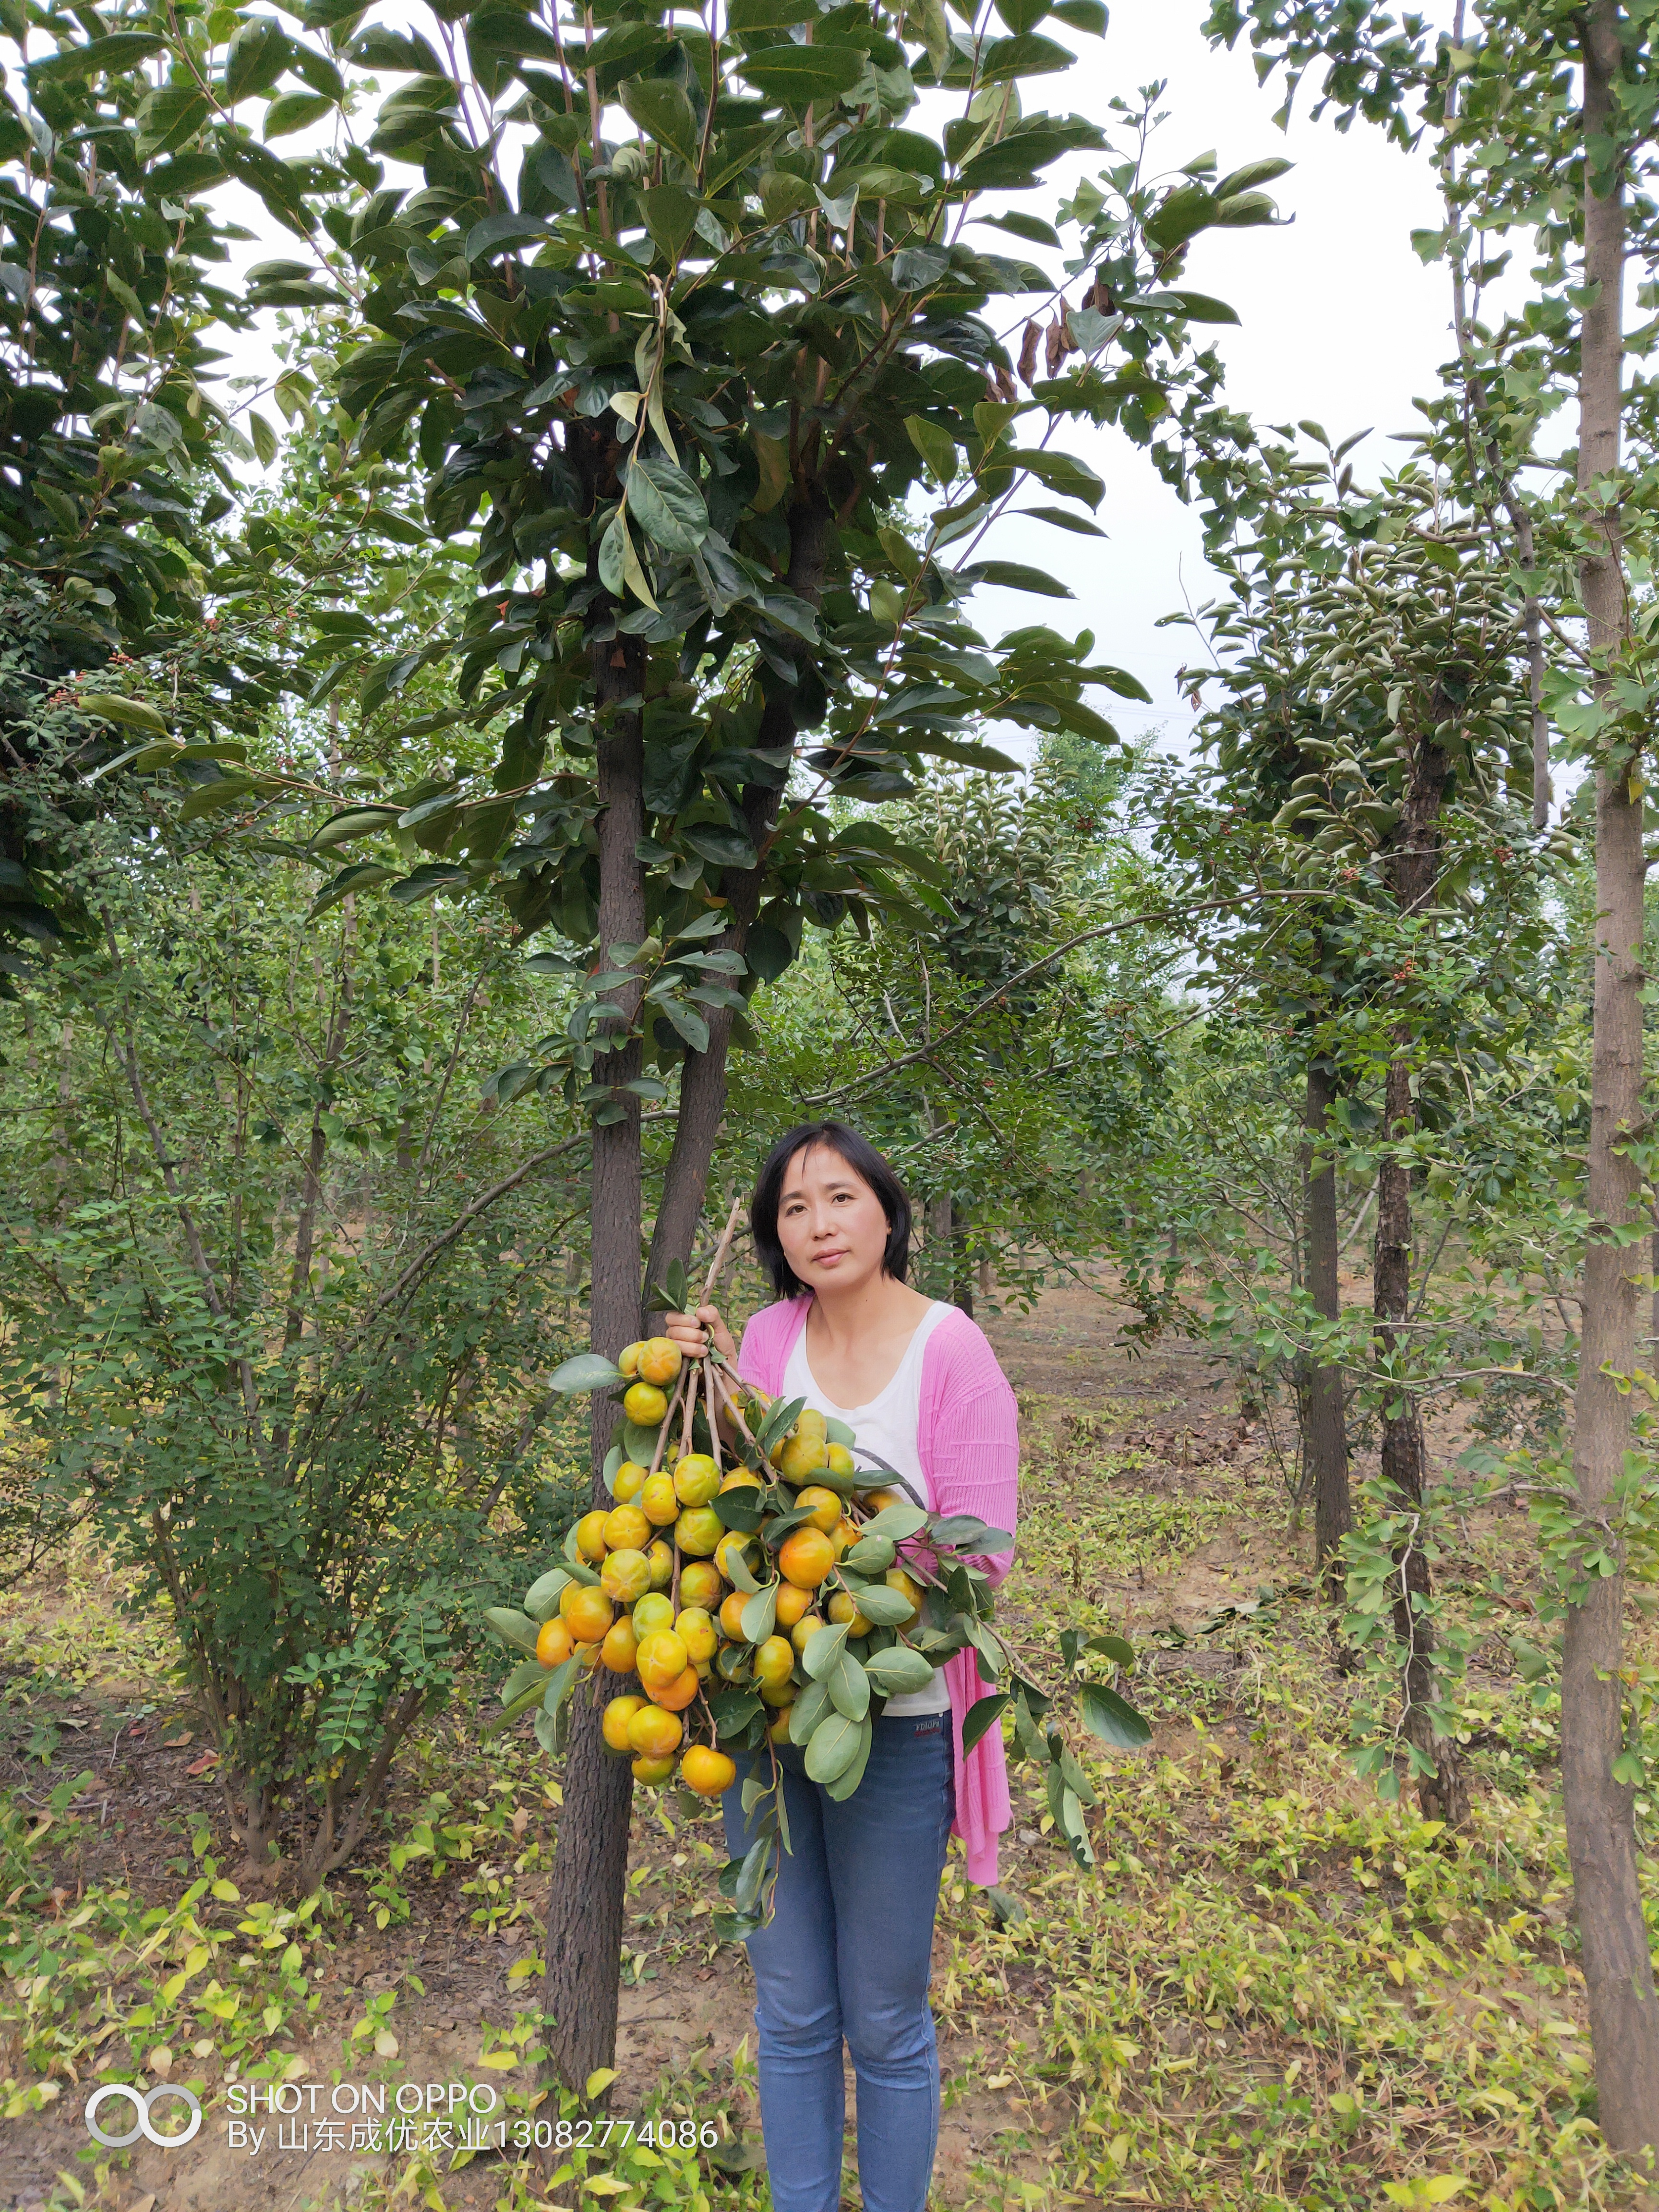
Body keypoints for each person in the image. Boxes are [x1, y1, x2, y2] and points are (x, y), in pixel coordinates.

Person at [663, 1120, 1018, 2212]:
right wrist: (705, 1381)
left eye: (841, 1198)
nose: (820, 1224)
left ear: (887, 1210)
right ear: (775, 1235)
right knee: (793, 2010)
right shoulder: (767, 1340)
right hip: (767, 1722)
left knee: (886, 2018)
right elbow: (728, 1510)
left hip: (898, 1728)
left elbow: (980, 1565)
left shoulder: (951, 1349)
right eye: (794, 1208)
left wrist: (855, 1575)